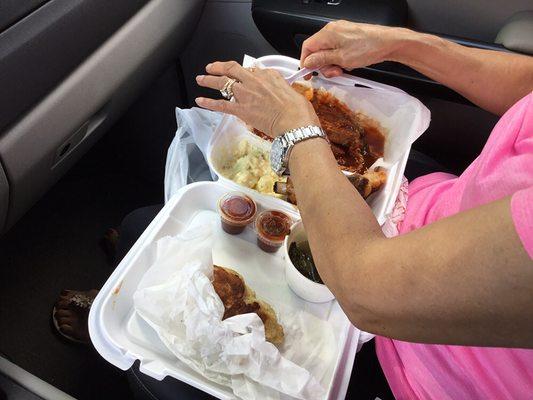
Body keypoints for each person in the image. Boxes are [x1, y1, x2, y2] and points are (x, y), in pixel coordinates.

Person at [54, 21, 533, 399]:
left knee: (145, 232)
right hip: (421, 207)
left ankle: (139, 314)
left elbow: (370, 293)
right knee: (161, 226)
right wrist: (396, 43)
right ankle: (154, 284)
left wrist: (296, 127)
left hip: (411, 355)